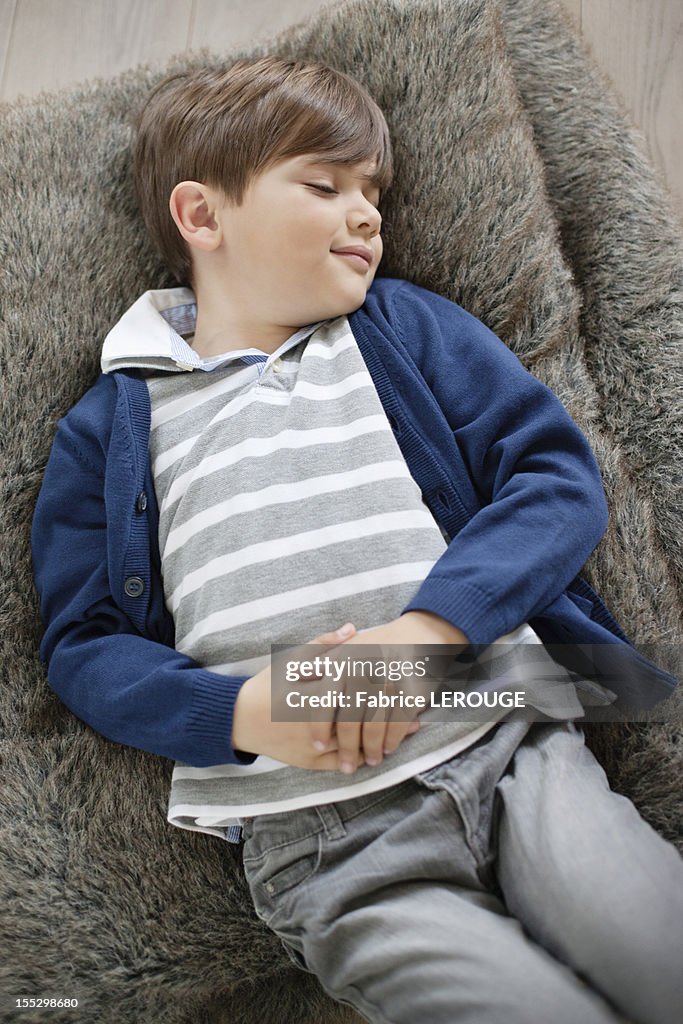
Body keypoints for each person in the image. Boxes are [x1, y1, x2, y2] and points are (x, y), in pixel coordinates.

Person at [31, 56, 682, 1024]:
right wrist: (245, 711)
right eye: (324, 185)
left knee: (653, 948)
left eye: (371, 191)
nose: (370, 213)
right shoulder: (111, 424)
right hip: (321, 833)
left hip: (505, 742)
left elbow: (552, 480)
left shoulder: (403, 329)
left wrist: (423, 634)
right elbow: (83, 645)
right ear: (202, 217)